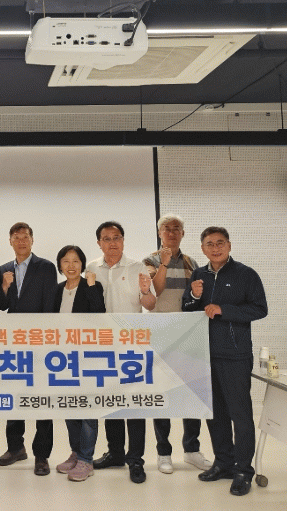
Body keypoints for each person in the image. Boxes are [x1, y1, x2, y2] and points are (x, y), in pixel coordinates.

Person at [182, 226, 267, 497]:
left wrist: (224, 310)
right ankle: (223, 463)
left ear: (229, 245)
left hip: (235, 355)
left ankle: (243, 470)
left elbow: (260, 309)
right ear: (203, 248)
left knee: (240, 415)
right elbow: (187, 309)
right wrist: (194, 296)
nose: (215, 248)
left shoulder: (245, 274)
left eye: (220, 243)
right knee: (215, 414)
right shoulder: (198, 274)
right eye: (210, 244)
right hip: (204, 354)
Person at [87, 221, 156, 484]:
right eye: (106, 238)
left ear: (123, 240)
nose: (112, 243)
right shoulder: (91, 268)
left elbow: (150, 304)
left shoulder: (137, 267)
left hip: (131, 347)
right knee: (111, 402)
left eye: (116, 237)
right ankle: (115, 453)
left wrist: (146, 290)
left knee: (134, 404)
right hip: (103, 345)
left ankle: (135, 459)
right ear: (99, 243)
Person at [143, 213, 212, 475]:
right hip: (160, 334)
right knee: (161, 392)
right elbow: (155, 291)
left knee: (191, 392)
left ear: (183, 233)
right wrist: (163, 263)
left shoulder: (191, 262)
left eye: (177, 229)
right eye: (167, 228)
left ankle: (192, 450)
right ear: (159, 233)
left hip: (187, 335)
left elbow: (197, 297)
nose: (172, 233)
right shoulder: (149, 260)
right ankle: (163, 452)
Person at [0, 222, 57, 476]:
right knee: (15, 393)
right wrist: (4, 287)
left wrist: (45, 339)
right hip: (14, 340)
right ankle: (15, 447)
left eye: (25, 237)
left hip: (40, 340)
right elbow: (2, 305)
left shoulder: (46, 267)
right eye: (16, 237)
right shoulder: (4, 269)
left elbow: (50, 304)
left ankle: (41, 455)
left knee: (42, 396)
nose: (21, 241)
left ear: (32, 240)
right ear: (10, 241)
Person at [53, 245, 106, 482]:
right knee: (70, 407)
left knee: (87, 409)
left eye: (75, 261)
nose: (71, 265)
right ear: (60, 265)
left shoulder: (92, 286)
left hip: (87, 357)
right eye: (66, 261)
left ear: (82, 264)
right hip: (63, 359)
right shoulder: (57, 290)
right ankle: (76, 452)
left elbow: (100, 314)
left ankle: (86, 459)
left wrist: (92, 287)